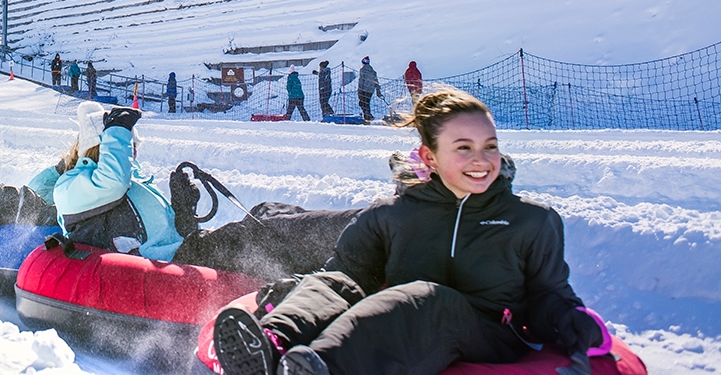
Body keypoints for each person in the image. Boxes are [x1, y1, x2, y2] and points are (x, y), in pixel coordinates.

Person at [211, 88, 606, 375]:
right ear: (429, 157)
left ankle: (324, 368)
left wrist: (567, 317)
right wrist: (296, 302)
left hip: (487, 334)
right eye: (463, 148)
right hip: (398, 328)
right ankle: (271, 344)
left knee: (429, 299)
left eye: (490, 146)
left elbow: (548, 295)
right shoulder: (391, 214)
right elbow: (344, 278)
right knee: (334, 283)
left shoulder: (530, 221)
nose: (482, 160)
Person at [0, 102, 357, 282]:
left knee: (270, 212)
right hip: (187, 260)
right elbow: (109, 180)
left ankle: (352, 252)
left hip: (191, 248)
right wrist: (116, 132)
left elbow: (152, 222)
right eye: (118, 141)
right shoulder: (74, 190)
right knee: (271, 232)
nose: (130, 146)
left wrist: (184, 212)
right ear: (102, 146)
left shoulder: (117, 177)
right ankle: (373, 229)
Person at [357, 56, 384, 122]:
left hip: (363, 89)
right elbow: (376, 81)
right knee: (366, 103)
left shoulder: (362, 70)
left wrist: (359, 89)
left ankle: (368, 116)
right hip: (370, 90)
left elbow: (361, 80)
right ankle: (368, 116)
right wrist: (378, 90)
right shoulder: (373, 72)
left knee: (362, 103)